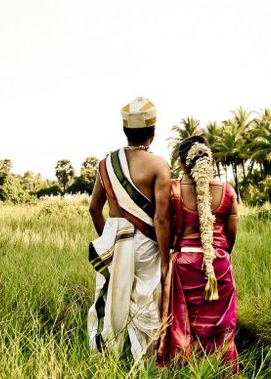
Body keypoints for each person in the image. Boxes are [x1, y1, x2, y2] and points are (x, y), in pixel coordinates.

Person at [86, 96, 173, 362]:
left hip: (114, 239)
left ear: (125, 130)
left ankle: (108, 355)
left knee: (114, 295)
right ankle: (144, 361)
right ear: (153, 132)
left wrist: (109, 240)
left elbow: (93, 208)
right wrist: (166, 260)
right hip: (146, 244)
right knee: (145, 298)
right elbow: (160, 218)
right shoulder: (159, 165)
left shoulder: (105, 164)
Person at [157, 135, 240, 371]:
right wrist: (218, 256)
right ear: (208, 159)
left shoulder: (173, 190)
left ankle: (188, 372)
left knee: (186, 328)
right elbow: (231, 235)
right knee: (220, 330)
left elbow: (164, 224)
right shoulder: (227, 191)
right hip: (218, 266)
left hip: (184, 267)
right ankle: (222, 372)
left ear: (183, 164)